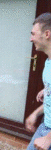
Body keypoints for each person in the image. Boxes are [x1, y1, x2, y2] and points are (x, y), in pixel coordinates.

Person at [26, 12, 51, 150]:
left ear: (47, 34)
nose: (30, 39)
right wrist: (35, 113)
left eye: (33, 34)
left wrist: (48, 138)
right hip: (45, 125)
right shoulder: (48, 62)